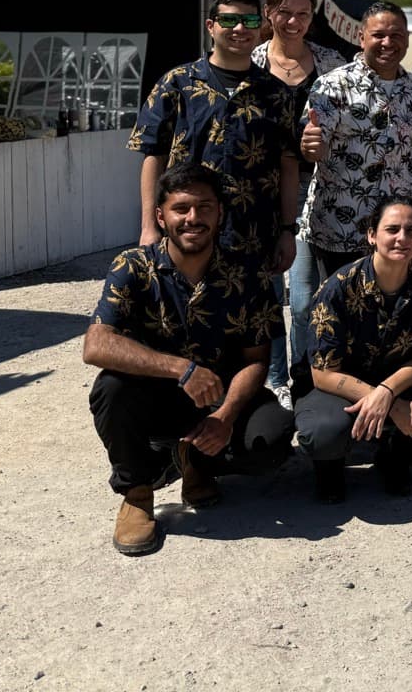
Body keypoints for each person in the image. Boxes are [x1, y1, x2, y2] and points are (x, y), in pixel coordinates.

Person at [83, 165, 292, 555]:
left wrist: (226, 417)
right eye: (181, 209)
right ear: (161, 216)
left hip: (216, 400)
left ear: (220, 213)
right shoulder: (132, 267)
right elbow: (96, 345)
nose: (193, 218)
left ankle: (197, 460)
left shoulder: (247, 273)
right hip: (154, 398)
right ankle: (137, 494)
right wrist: (181, 368)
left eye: (204, 207)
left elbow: (257, 360)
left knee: (273, 436)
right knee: (112, 388)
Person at [294, 196, 412, 502]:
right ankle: (329, 468)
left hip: (396, 379)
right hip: (337, 386)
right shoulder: (339, 288)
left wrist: (387, 392)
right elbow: (323, 375)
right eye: (392, 229)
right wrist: (392, 405)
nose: (402, 238)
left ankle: (394, 461)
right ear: (372, 235)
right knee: (324, 430)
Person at [129, 0, 300, 281]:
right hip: (186, 232)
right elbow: (152, 155)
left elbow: (288, 165)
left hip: (256, 238)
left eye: (249, 21)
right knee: (183, 320)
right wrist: (148, 226)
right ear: (211, 26)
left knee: (253, 324)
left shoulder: (277, 94)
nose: (240, 29)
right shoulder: (176, 84)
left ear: (261, 27)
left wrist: (287, 230)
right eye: (230, 20)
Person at [251, 0, 347, 409]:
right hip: (261, 194)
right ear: (269, 13)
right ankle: (274, 380)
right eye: (284, 12)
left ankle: (304, 375)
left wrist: (326, 146)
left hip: (317, 192)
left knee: (305, 298)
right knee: (268, 295)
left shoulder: (331, 62)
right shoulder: (249, 61)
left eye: (303, 13)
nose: (294, 21)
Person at [299, 2, 412, 283]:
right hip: (341, 229)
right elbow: (311, 144)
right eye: (378, 35)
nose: (387, 43)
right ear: (361, 37)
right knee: (338, 315)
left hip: (393, 235)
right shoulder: (333, 85)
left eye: (397, 36)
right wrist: (310, 147)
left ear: (407, 39)